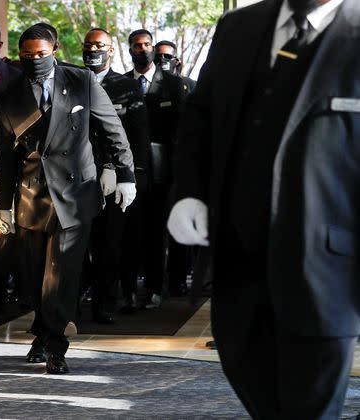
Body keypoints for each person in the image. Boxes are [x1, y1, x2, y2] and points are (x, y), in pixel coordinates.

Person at [167, 0, 356, 418]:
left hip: (328, 274)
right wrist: (189, 192)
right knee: (258, 391)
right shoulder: (238, 26)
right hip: (238, 267)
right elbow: (201, 116)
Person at [0, 24, 135, 374]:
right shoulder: (11, 93)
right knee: (33, 276)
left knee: (61, 274)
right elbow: (6, 153)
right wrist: (1, 203)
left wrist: (125, 175)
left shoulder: (81, 82)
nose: (34, 60)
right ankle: (42, 333)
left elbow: (113, 131)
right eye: (27, 55)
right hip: (30, 194)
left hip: (74, 194)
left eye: (41, 54)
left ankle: (56, 345)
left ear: (56, 48)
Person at [81, 28, 150, 324]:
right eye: (89, 44)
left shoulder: (125, 86)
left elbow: (136, 135)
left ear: (110, 51)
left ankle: (105, 303)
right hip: (78, 176)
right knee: (78, 244)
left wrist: (128, 175)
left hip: (112, 176)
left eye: (100, 45)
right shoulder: (73, 80)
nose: (93, 49)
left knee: (109, 244)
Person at [123, 29, 187, 311]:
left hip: (163, 171)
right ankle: (125, 292)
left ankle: (153, 289)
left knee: (155, 231)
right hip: (129, 169)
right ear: (130, 50)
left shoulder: (174, 84)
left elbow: (183, 128)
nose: (143, 49)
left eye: (147, 44)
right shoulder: (120, 83)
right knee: (128, 232)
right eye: (137, 45)